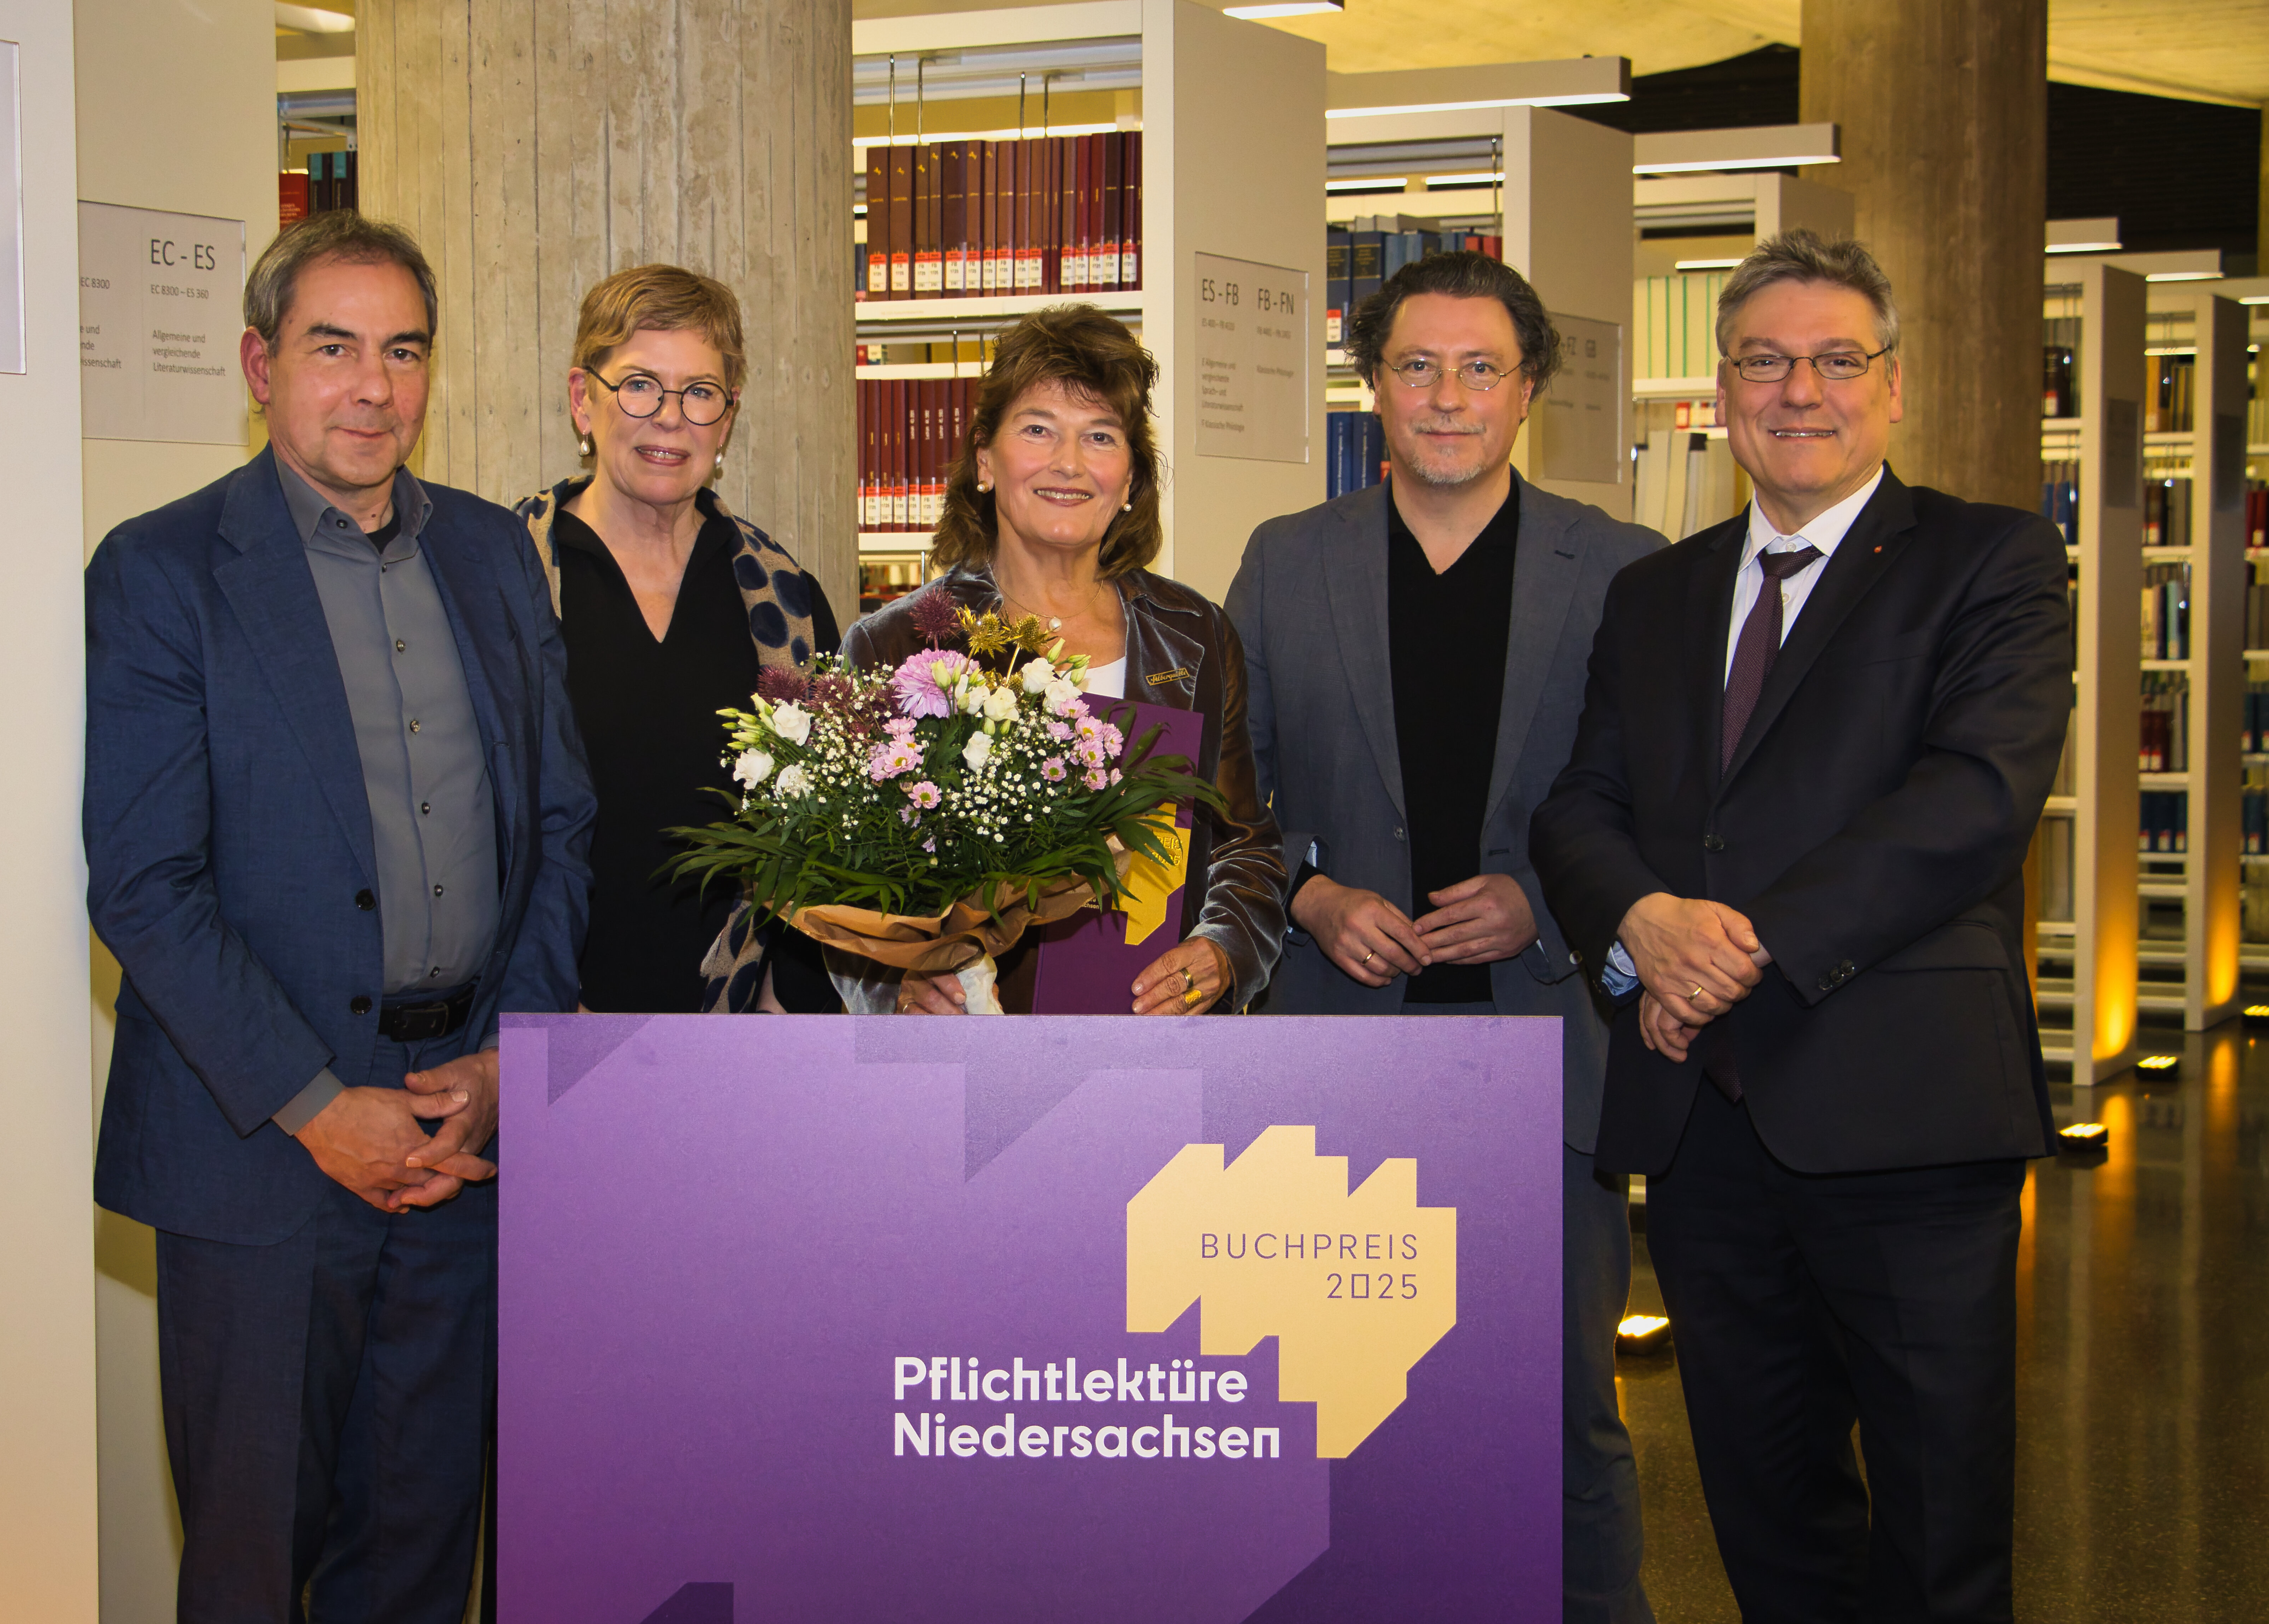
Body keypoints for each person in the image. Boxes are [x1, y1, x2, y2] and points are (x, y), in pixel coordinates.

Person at [1531, 229, 2070, 1621]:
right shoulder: (1655, 592)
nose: (1798, 391)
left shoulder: (1988, 560)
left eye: (1836, 358)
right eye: (1764, 361)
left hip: (1904, 1116)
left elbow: (1971, 800)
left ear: (1892, 383)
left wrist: (1732, 949)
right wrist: (1641, 924)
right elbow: (1581, 804)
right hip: (1703, 1127)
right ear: (1720, 391)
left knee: (1939, 1524)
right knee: (1766, 1517)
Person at [85, 211, 594, 1622]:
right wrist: (319, 1108)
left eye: (404, 352)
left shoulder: (494, 554)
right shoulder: (163, 570)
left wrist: (507, 1064)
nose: (373, 387)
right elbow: (144, 883)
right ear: (261, 367)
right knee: (252, 1567)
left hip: (461, 1140)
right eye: (333, 348)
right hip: (262, 1153)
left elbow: (559, 826)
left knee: (421, 1563)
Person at [1227, 249, 1662, 1624]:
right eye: (1417, 366)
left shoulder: (1625, 569)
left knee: (1563, 1416)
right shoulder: (1286, 561)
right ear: (1373, 385)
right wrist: (1310, 893)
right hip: (1336, 1054)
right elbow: (1223, 798)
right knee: (1336, 1409)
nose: (1448, 396)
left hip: (1541, 1048)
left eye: (1481, 368)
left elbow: (1667, 804)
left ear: (1529, 391)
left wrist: (1548, 895)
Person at [847, 303, 1287, 1015]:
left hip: (1152, 1039)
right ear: (984, 459)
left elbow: (1243, 844)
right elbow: (847, 877)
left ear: (1131, 478)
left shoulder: (1196, 634)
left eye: (1100, 436)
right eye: (1038, 429)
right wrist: (897, 987)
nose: (1069, 463)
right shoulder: (896, 644)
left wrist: (1223, 952)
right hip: (973, 1043)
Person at [513, 264, 841, 1015]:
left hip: (740, 1024)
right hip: (543, 1014)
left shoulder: (785, 600)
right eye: (639, 385)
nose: (669, 418)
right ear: (582, 399)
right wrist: (542, 1003)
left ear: (727, 419)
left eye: (699, 393)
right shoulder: (504, 576)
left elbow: (823, 835)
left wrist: (777, 1000)